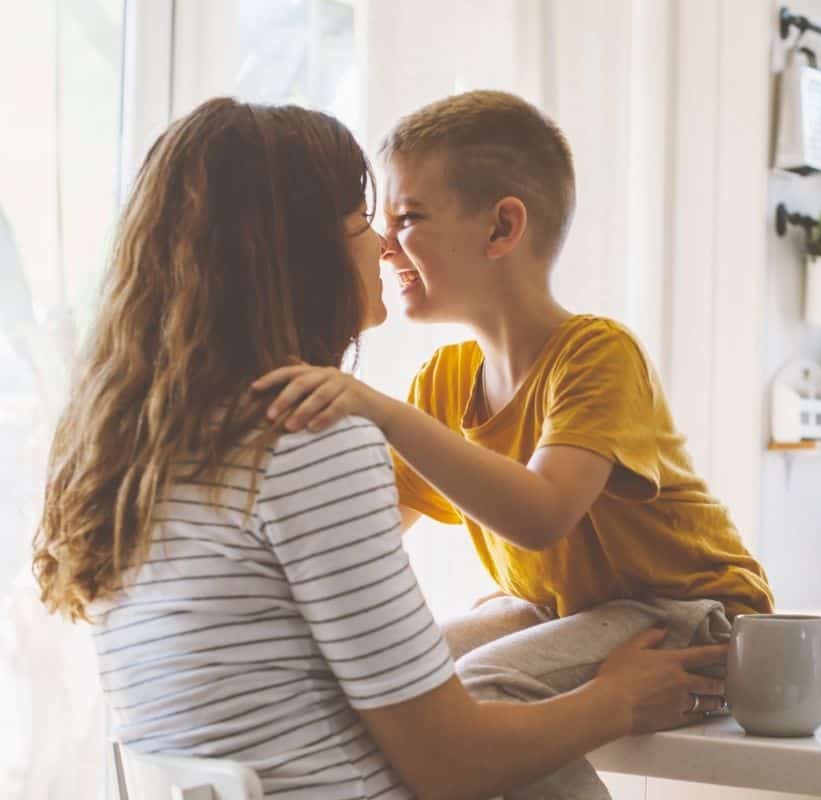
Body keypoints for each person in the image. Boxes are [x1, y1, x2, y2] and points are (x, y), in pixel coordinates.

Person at [31, 97, 727, 800]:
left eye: (403, 221)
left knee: (484, 643)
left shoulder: (139, 463)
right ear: (308, 255)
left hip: (674, 607)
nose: (384, 246)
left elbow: (472, 522)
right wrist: (615, 700)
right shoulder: (312, 447)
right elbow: (457, 762)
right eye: (368, 221)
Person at [255, 89, 774, 800]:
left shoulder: (596, 353)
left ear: (501, 229)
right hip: (571, 610)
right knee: (416, 676)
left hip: (695, 611)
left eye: (407, 220)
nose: (384, 246)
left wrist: (377, 409)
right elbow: (373, 526)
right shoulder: (445, 379)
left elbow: (541, 515)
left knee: (483, 688)